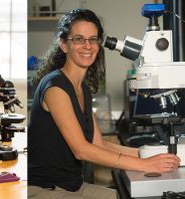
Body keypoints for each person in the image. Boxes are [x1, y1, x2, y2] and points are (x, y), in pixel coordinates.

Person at [28, 9, 181, 199]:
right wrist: (145, 164)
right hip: (44, 189)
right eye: (78, 39)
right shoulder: (55, 87)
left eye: (93, 39)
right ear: (63, 44)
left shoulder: (82, 88)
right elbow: (81, 150)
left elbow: (98, 144)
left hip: (71, 186)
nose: (87, 46)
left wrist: (149, 154)